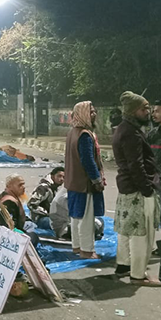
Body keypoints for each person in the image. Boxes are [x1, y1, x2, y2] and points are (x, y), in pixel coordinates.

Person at [112, 91, 161, 286]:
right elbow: (136, 165)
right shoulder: (131, 132)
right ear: (133, 111)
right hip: (137, 189)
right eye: (144, 108)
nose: (147, 112)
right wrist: (147, 189)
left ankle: (123, 265)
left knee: (126, 229)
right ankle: (138, 275)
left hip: (127, 187)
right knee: (142, 233)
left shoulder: (125, 129)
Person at [64, 101, 105, 259]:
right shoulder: (85, 135)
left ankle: (77, 247)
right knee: (87, 218)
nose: (94, 115)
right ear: (83, 114)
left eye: (94, 111)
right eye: (91, 112)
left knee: (76, 216)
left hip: (73, 182)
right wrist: (97, 180)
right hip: (84, 183)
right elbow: (88, 161)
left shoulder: (72, 132)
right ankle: (87, 251)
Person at [0, 173, 39, 244]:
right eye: (20, 185)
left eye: (23, 184)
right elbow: (11, 227)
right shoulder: (9, 201)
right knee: (33, 236)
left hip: (7, 233)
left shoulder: (7, 195)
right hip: (5, 236)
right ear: (9, 186)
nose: (23, 187)